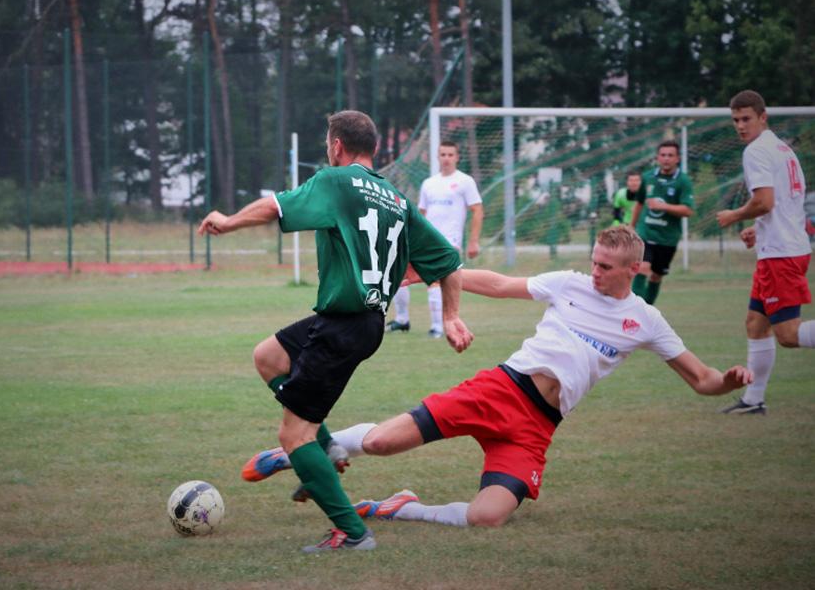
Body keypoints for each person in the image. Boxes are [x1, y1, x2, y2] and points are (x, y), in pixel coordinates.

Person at [243, 226, 752, 529]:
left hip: (538, 425)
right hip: (502, 389)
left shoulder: (646, 320)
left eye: (605, 267)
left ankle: (401, 507)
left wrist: (728, 382)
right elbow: (501, 283)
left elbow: (701, 379)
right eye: (594, 262)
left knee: (487, 518)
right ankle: (303, 449)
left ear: (633, 269)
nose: (595, 273)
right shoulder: (570, 284)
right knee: (380, 443)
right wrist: (440, 274)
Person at [197, 110, 473, 552]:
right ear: (374, 148)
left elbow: (275, 207)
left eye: (328, 143)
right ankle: (325, 448)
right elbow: (449, 260)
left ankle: (353, 532)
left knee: (293, 435)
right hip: (360, 322)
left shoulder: (336, 180)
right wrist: (452, 316)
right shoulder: (396, 199)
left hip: (344, 325)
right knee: (269, 356)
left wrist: (228, 221)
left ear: (337, 146)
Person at [715, 89, 814, 415]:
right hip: (783, 247)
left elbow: (765, 202)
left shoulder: (756, 151)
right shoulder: (783, 149)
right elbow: (786, 205)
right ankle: (753, 400)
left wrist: (734, 215)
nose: (740, 126)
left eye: (746, 119)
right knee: (756, 324)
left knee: (788, 334)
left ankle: (754, 399)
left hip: (780, 255)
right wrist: (758, 230)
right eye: (736, 120)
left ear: (763, 117)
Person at [386, 140, 484, 338]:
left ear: (457, 157)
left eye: (450, 155)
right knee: (399, 273)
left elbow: (477, 210)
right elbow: (420, 215)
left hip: (449, 241)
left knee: (437, 281)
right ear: (438, 157)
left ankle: (438, 327)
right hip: (426, 240)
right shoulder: (429, 184)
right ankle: (402, 320)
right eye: (443, 154)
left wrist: (474, 241)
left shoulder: (465, 181)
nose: (446, 158)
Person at [630, 140, 695, 305]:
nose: (666, 158)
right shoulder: (648, 177)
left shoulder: (683, 181)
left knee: (656, 276)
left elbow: (688, 210)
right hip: (646, 233)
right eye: (663, 155)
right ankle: (635, 309)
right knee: (642, 267)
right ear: (657, 158)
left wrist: (663, 206)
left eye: (670, 155)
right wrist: (632, 226)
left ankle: (647, 309)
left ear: (677, 158)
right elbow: (639, 203)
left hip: (667, 239)